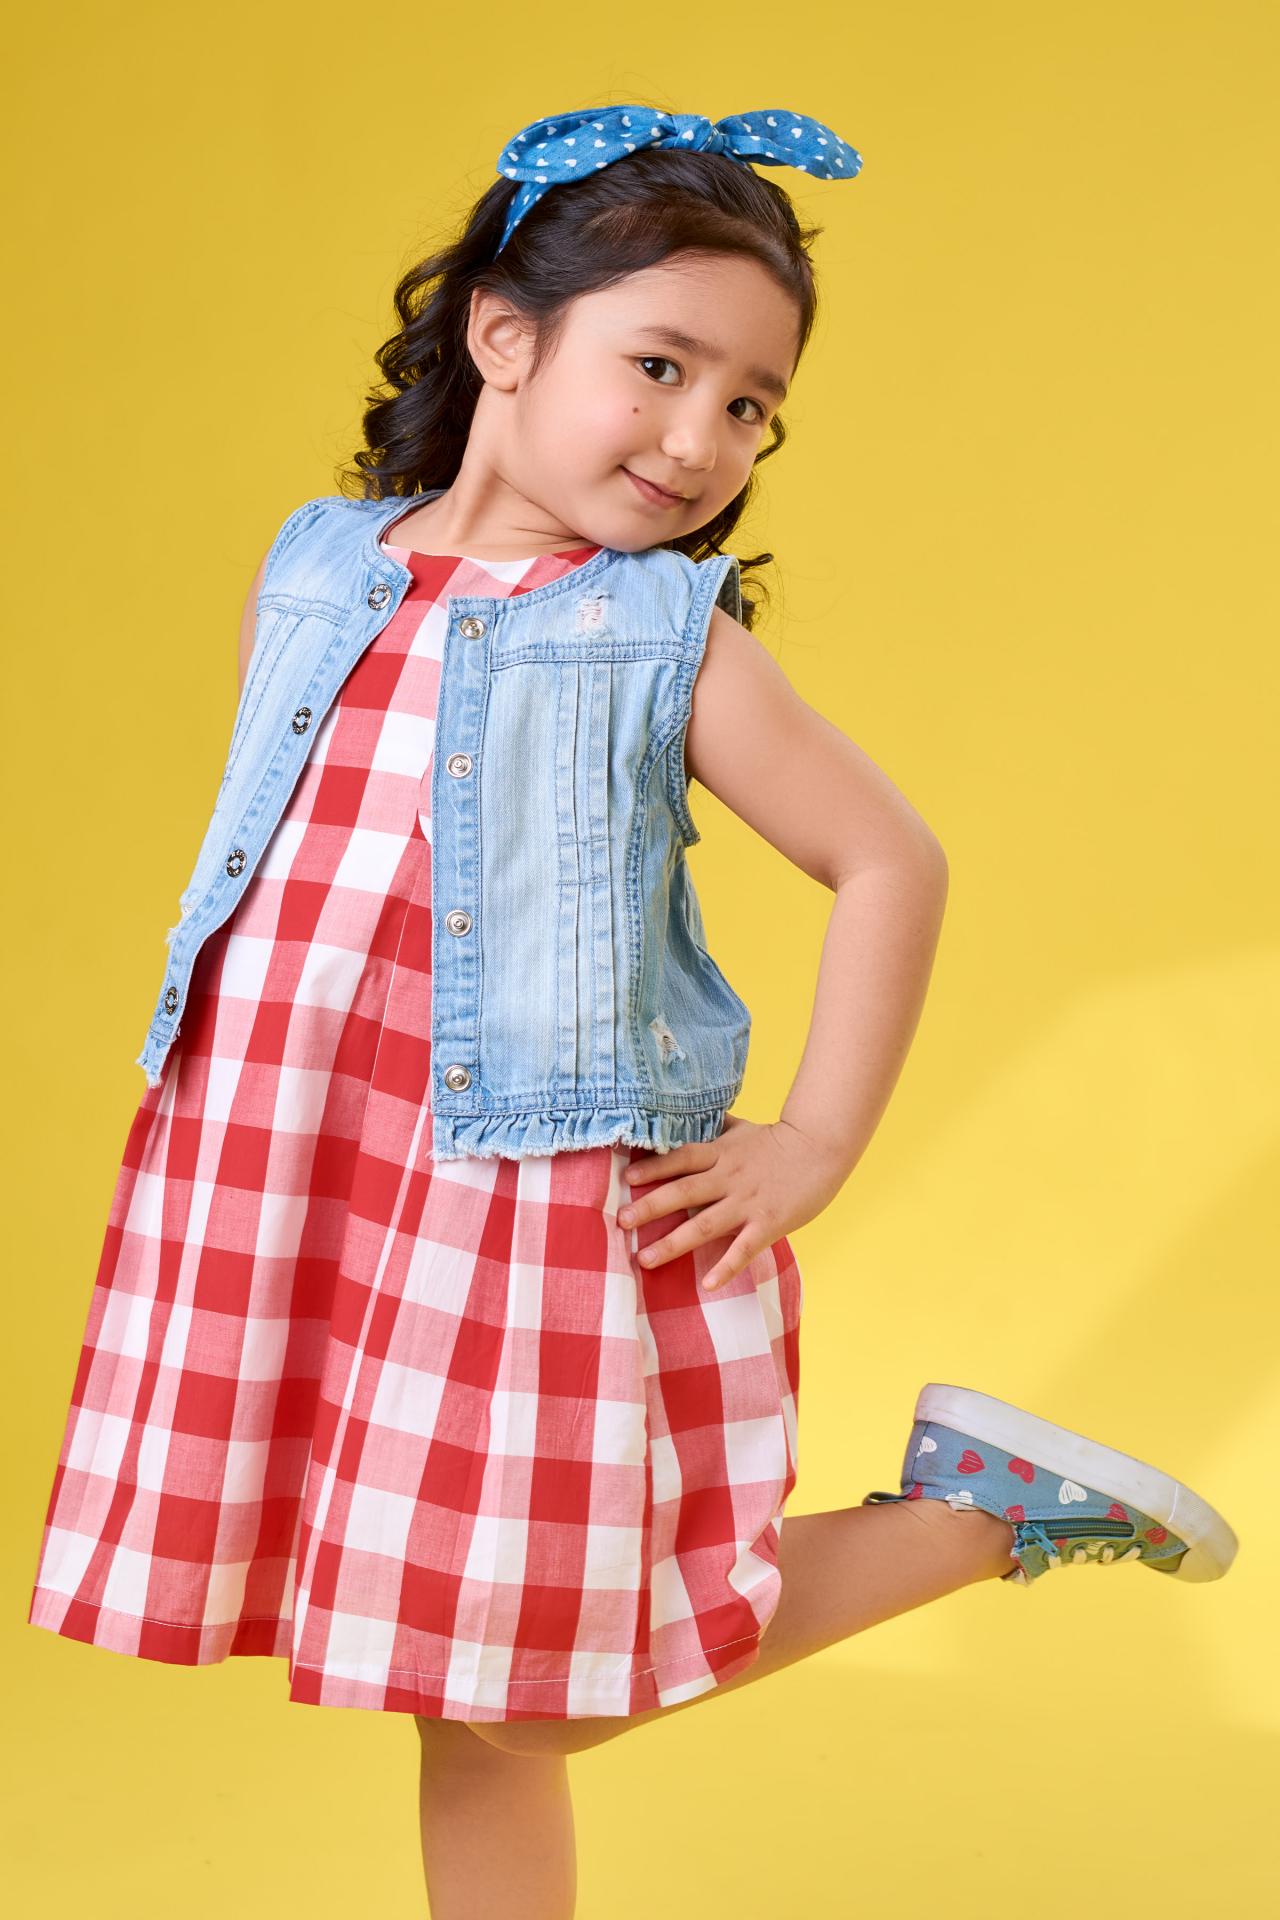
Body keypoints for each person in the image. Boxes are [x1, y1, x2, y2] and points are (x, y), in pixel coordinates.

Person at [26, 102, 1238, 1919]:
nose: (699, 439)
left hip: (516, 1208)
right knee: (463, 1696)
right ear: (503, 338)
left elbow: (890, 861)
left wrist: (815, 1139)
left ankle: (979, 1516)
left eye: (750, 407)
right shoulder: (319, 562)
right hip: (299, 1170)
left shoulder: (658, 635)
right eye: (661, 367)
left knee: (533, 1687)